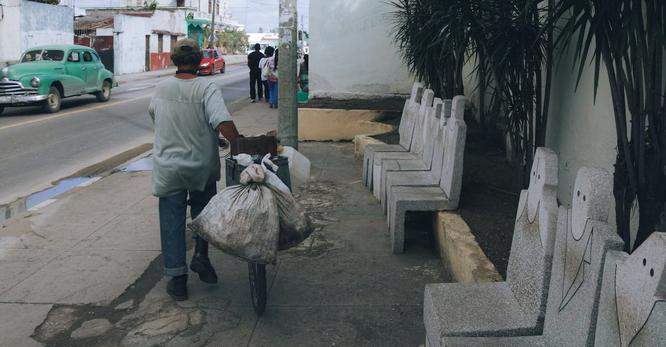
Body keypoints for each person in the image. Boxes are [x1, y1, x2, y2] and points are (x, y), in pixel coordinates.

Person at [148, 39, 242, 301]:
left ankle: (177, 280)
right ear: (201, 59)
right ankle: (201, 256)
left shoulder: (162, 87)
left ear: (173, 60)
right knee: (202, 213)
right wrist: (239, 142)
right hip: (200, 166)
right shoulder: (206, 86)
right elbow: (221, 119)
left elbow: (155, 117)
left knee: (171, 221)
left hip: (169, 168)